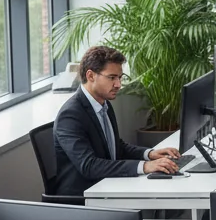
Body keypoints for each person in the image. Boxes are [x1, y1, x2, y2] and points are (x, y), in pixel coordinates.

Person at [52, 46, 181, 197]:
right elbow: (89, 165)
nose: (118, 84)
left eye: (120, 77)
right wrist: (145, 166)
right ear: (91, 75)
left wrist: (149, 154)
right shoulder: (70, 115)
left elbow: (115, 147)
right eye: (112, 78)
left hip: (108, 186)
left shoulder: (103, 103)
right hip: (83, 198)